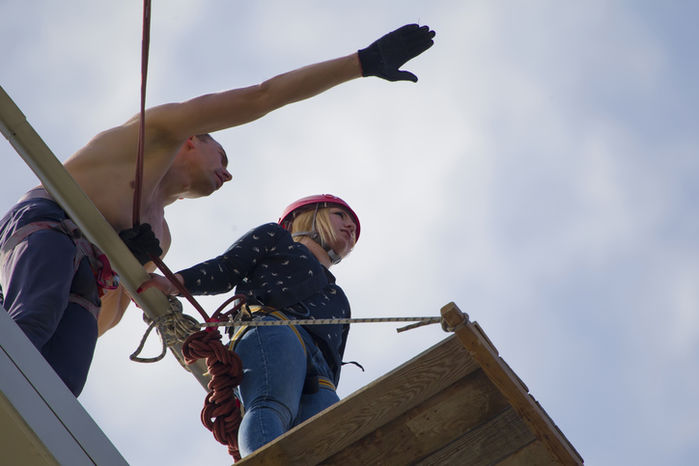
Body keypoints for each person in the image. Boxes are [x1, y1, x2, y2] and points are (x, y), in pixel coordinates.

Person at [0, 24, 436, 397]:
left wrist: (129, 262)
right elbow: (262, 96)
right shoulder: (156, 134)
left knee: (63, 381)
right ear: (194, 139)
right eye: (222, 159)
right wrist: (360, 63)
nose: (227, 175)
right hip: (47, 225)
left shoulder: (159, 235)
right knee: (34, 320)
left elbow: (109, 316)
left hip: (86, 279)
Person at [139, 194, 360, 456]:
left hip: (321, 371)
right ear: (307, 217)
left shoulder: (340, 298)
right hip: (273, 329)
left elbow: (334, 361)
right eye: (340, 215)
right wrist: (174, 283)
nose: (350, 228)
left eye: (354, 229)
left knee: (335, 437)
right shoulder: (276, 238)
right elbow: (226, 268)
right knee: (270, 404)